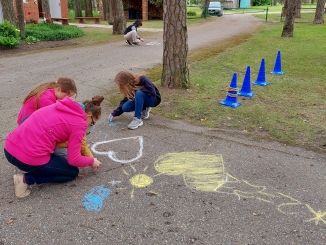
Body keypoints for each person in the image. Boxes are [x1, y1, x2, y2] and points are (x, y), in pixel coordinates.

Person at [4, 96, 103, 198]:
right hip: (25, 158)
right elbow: (74, 160)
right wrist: (91, 161)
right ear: (89, 115)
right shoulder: (79, 124)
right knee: (72, 172)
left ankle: (32, 165)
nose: (90, 125)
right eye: (92, 122)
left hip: (9, 148)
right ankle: (25, 180)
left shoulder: (60, 106)